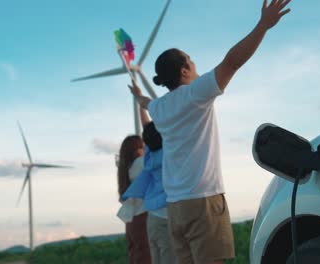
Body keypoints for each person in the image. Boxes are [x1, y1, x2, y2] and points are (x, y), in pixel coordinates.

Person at [128, 0, 292, 263]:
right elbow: (232, 62)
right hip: (203, 201)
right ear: (183, 71)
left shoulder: (159, 107)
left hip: (175, 207)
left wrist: (138, 96)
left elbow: (147, 103)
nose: (195, 66)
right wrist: (262, 26)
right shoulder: (195, 94)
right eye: (191, 62)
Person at [122, 104, 177, 264]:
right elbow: (152, 131)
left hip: (151, 217)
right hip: (165, 217)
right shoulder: (168, 156)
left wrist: (141, 105)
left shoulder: (147, 160)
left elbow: (149, 130)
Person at [116, 135, 151, 264]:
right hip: (142, 217)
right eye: (142, 146)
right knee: (146, 255)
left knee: (135, 254)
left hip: (131, 221)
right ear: (137, 150)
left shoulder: (125, 168)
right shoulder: (139, 164)